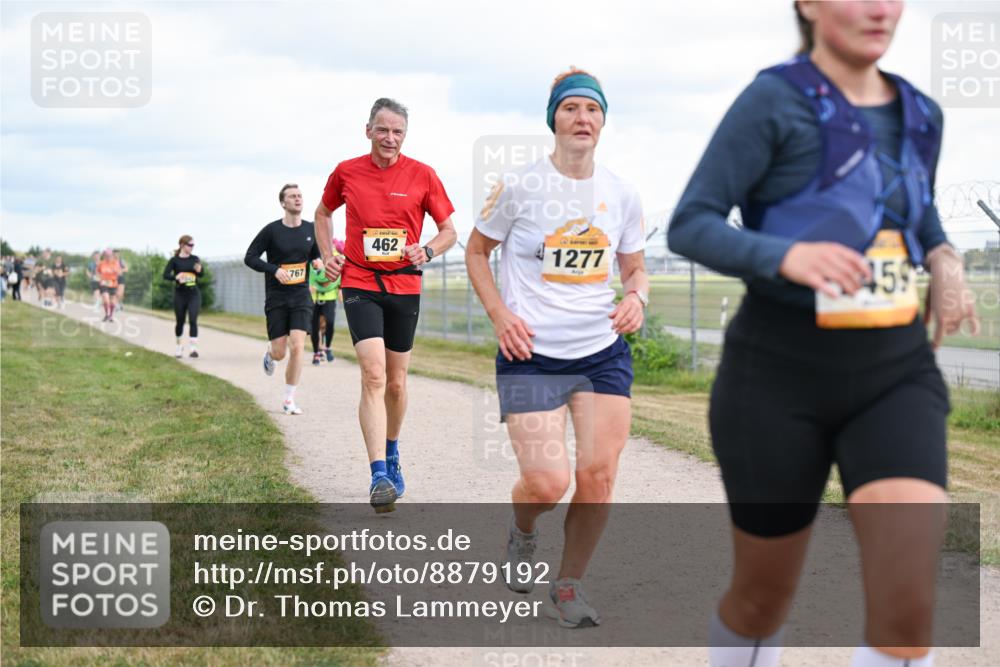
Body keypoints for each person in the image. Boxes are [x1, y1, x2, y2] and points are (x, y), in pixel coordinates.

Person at [667, 3, 979, 666]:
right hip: (776, 376)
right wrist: (784, 255)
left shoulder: (923, 114)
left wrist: (945, 257)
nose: (879, 8)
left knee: (908, 606)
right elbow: (691, 223)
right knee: (761, 599)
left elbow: (913, 204)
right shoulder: (773, 100)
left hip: (895, 371)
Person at [466, 68, 648, 628]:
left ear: (603, 121)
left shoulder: (621, 193)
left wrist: (637, 297)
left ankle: (567, 586)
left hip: (601, 352)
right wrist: (500, 316)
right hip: (532, 354)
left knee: (598, 476)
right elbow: (476, 253)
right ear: (553, 120)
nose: (582, 119)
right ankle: (523, 530)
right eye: (570, 109)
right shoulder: (519, 186)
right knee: (547, 483)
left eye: (592, 110)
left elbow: (634, 267)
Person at [316, 97, 458, 513]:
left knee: (396, 383)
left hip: (404, 286)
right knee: (373, 375)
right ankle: (378, 472)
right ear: (368, 131)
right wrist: (328, 255)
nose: (390, 138)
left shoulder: (422, 175)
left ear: (404, 136)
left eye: (397, 132)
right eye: (383, 130)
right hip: (359, 280)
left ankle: (392, 452)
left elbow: (448, 230)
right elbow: (322, 214)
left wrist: (428, 252)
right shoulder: (347, 172)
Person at [245, 183, 321, 415]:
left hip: (300, 296)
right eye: (292, 196)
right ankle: (270, 354)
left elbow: (316, 253)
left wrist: (317, 261)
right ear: (283, 203)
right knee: (281, 352)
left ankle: (289, 399)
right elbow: (250, 257)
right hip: (277, 297)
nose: (298, 199)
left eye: (300, 195)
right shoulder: (271, 231)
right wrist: (274, 269)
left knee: (298, 346)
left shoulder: (311, 229)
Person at [162, 235, 203, 358]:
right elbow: (165, 275)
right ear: (182, 245)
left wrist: (200, 270)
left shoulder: (195, 259)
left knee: (193, 319)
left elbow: (201, 274)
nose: (192, 247)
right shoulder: (174, 261)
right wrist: (176, 277)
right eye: (190, 245)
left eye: (193, 245)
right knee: (180, 321)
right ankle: (179, 347)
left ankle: (193, 349)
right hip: (180, 294)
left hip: (193, 293)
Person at [309, 238, 343, 365]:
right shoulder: (310, 254)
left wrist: (340, 288)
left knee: (329, 323)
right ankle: (316, 352)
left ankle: (327, 347)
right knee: (314, 326)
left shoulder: (334, 254)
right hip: (314, 297)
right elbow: (309, 273)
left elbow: (340, 272)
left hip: (329, 297)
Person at [96, 249, 122, 322]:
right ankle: (107, 314)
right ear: (104, 256)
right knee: (106, 299)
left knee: (112, 302)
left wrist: (116, 272)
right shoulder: (102, 263)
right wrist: (99, 277)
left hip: (113, 284)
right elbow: (97, 271)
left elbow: (119, 272)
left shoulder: (115, 263)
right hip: (104, 284)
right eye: (106, 255)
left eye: (109, 255)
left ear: (111, 255)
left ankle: (110, 316)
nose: (108, 257)